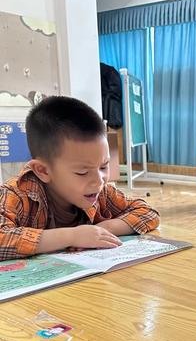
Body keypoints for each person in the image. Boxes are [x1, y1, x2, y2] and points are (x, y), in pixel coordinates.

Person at [0, 96, 159, 261]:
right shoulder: (17, 194)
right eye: (82, 172)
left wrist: (104, 229)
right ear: (43, 171)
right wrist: (72, 236)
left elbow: (148, 213)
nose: (99, 180)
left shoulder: (100, 191)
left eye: (104, 166)